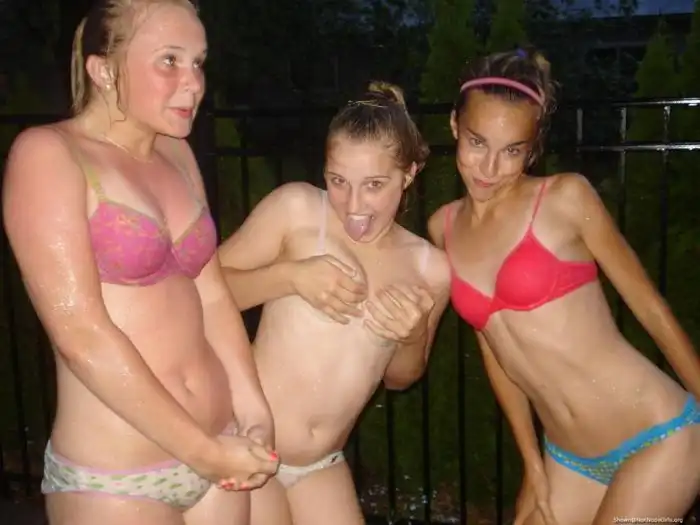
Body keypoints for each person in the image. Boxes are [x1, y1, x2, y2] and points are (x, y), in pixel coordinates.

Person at [1, 1, 279, 524]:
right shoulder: (49, 154)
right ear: (104, 70)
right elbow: (81, 334)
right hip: (118, 477)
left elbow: (212, 294)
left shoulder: (177, 153)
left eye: (198, 62)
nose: (193, 82)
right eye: (169, 60)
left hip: (219, 448)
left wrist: (253, 409)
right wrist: (202, 452)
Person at [428, 47, 700, 525]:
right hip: (568, 459)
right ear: (454, 125)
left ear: (532, 147)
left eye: (512, 150)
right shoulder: (442, 228)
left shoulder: (565, 198)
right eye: (477, 142)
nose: (489, 167)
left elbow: (650, 308)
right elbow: (497, 353)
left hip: (659, 436)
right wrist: (532, 465)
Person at [218, 81, 451, 525]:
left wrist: (411, 334)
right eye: (338, 181)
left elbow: (401, 378)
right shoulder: (297, 210)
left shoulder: (432, 269)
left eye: (374, 185)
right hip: (247, 438)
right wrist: (289, 277)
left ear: (409, 173)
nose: (353, 204)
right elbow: (203, 292)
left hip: (321, 465)